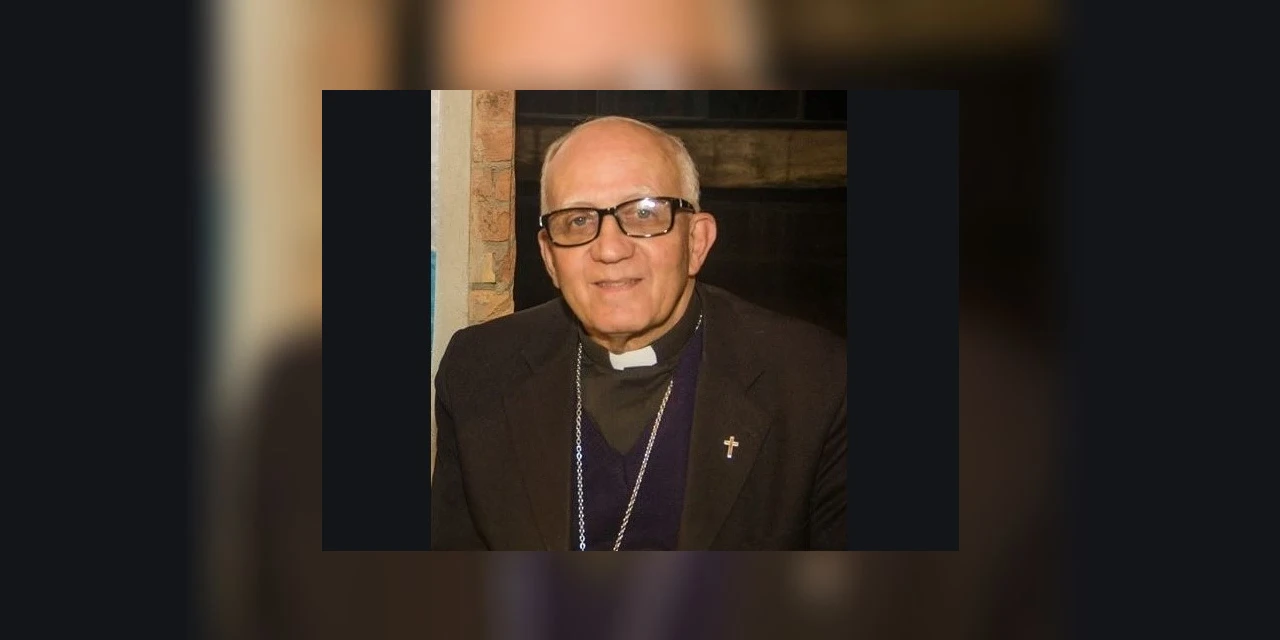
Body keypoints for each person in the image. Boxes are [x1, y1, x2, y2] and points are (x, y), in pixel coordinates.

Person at [431, 115, 846, 550]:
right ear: (550, 258)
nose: (610, 249)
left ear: (696, 241)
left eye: (645, 213)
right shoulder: (478, 372)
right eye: (577, 221)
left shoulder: (817, 384)